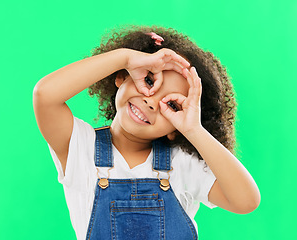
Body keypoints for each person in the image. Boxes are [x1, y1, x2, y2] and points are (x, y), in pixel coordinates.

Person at [33, 24, 260, 239]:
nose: (151, 103)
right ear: (122, 76)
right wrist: (126, 57)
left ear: (175, 130)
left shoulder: (182, 164)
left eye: (171, 105)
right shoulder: (81, 149)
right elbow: (45, 96)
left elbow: (246, 201)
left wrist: (193, 130)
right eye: (149, 80)